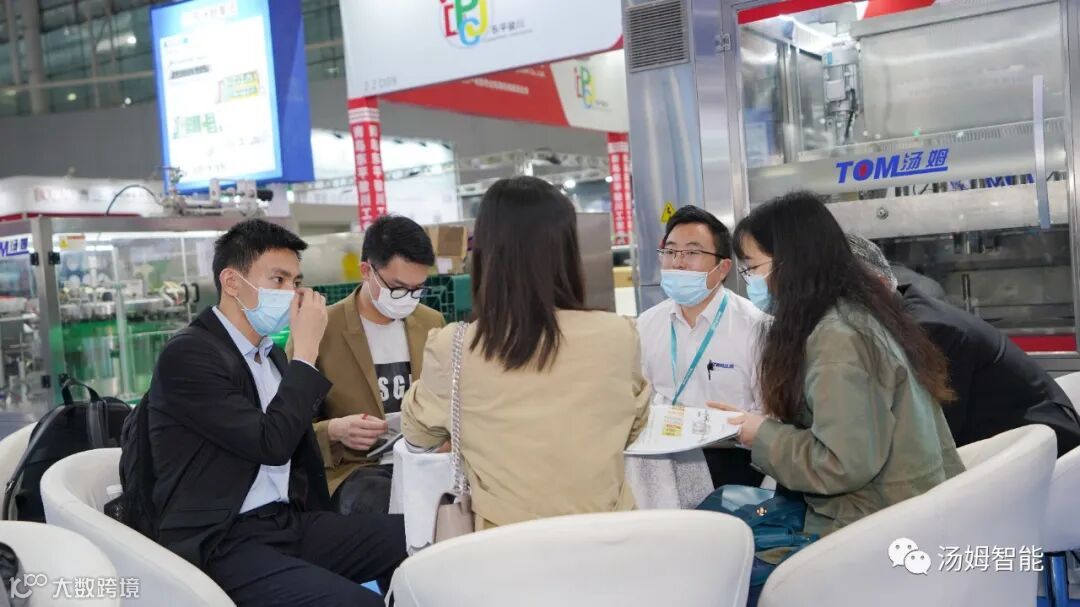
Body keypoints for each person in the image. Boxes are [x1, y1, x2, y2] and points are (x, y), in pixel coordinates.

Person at [147, 219, 406, 607]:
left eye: (295, 281)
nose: (290, 293)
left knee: (420, 537)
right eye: (278, 280)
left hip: (285, 523)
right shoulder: (189, 355)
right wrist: (306, 351)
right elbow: (271, 444)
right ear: (232, 282)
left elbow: (295, 440)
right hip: (223, 541)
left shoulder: (269, 355)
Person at [728, 191, 964, 604]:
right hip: (907, 514)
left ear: (790, 263)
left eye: (752, 268)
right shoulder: (860, 315)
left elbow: (840, 465)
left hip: (870, 532)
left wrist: (758, 434)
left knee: (721, 577)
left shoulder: (837, 338)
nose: (749, 282)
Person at [402, 176, 651, 529]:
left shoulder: (454, 346)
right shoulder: (619, 335)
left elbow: (418, 437)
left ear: (485, 255)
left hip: (507, 545)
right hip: (609, 538)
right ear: (567, 251)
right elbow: (633, 426)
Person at [849, 233, 1080, 456]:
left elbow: (932, 435)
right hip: (1013, 442)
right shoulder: (908, 312)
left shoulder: (930, 330)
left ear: (879, 286)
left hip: (1040, 448)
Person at [288, 215, 445, 515]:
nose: (407, 299)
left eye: (418, 290)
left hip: (424, 459)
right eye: (397, 288)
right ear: (366, 271)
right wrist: (334, 430)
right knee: (387, 505)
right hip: (356, 470)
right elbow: (287, 425)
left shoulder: (431, 323)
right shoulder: (320, 329)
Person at [636, 205, 768, 488]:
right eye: (670, 251)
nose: (678, 263)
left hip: (734, 464)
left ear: (723, 268)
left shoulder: (756, 326)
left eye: (692, 252)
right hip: (662, 463)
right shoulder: (645, 325)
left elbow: (771, 417)